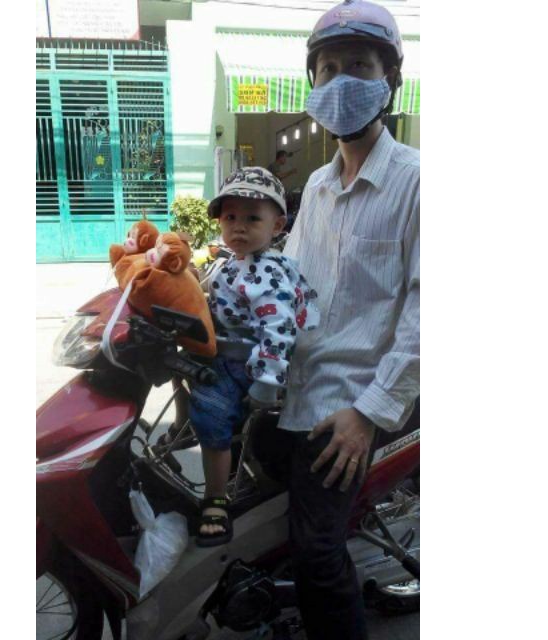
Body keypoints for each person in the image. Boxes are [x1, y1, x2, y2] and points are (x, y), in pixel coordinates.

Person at [276, 2, 420, 639]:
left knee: (316, 552)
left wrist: (368, 413)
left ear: (390, 80)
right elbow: (289, 281)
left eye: (358, 66)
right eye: (327, 69)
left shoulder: (418, 183)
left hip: (354, 401)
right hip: (297, 387)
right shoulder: (315, 185)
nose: (340, 83)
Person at [189, 167, 320, 547]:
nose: (239, 227)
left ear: (277, 225)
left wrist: (265, 381)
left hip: (250, 363)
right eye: (230, 217)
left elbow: (278, 329)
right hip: (233, 352)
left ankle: (215, 499)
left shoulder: (267, 272)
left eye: (252, 219)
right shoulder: (233, 262)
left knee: (211, 411)